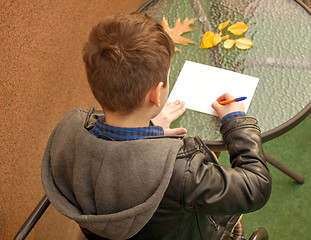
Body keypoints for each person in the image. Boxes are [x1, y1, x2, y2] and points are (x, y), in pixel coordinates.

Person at [41, 12, 271, 240]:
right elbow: (257, 186)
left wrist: (150, 130)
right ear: (156, 94)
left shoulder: (67, 135)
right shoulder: (182, 170)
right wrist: (235, 122)